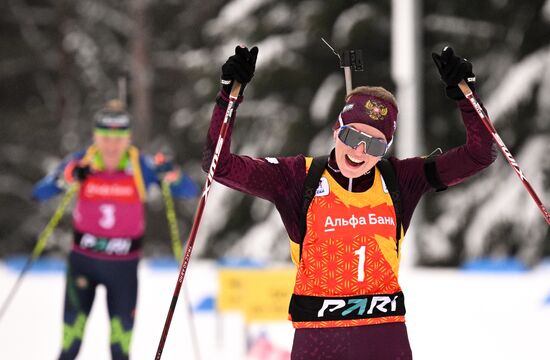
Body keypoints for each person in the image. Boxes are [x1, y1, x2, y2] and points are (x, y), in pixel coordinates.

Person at [203, 45, 496, 359]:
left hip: (384, 337)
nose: (359, 152)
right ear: (336, 131)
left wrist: (466, 97)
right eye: (352, 136)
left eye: (375, 144)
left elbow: (480, 155)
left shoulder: (400, 180)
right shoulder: (298, 178)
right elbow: (219, 165)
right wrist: (228, 99)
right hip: (319, 340)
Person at [32, 100, 198, 360]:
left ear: (128, 138)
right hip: (83, 264)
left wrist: (172, 174)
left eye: (118, 139)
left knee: (120, 350)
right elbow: (40, 192)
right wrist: (67, 178)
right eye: (105, 137)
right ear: (95, 137)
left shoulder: (141, 165)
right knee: (70, 347)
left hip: (123, 269)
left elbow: (189, 191)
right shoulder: (82, 162)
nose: (111, 145)